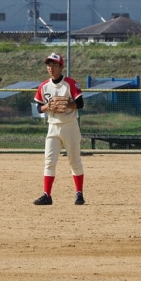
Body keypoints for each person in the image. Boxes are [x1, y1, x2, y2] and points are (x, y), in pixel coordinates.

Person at [33, 52, 85, 205]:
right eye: (49, 65)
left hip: (70, 125)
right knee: (49, 161)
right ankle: (47, 195)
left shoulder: (70, 83)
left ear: (61, 67)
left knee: (74, 160)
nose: (51, 68)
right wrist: (48, 106)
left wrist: (67, 104)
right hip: (53, 126)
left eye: (54, 65)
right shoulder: (44, 86)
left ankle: (79, 193)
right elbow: (38, 107)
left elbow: (80, 104)